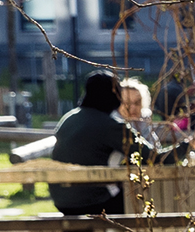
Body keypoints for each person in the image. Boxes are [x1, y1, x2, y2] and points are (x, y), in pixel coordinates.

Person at [46, 73, 134, 215]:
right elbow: (151, 155)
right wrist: (183, 145)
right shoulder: (110, 125)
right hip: (97, 203)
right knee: (137, 194)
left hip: (62, 202)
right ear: (115, 95)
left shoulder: (69, 119)